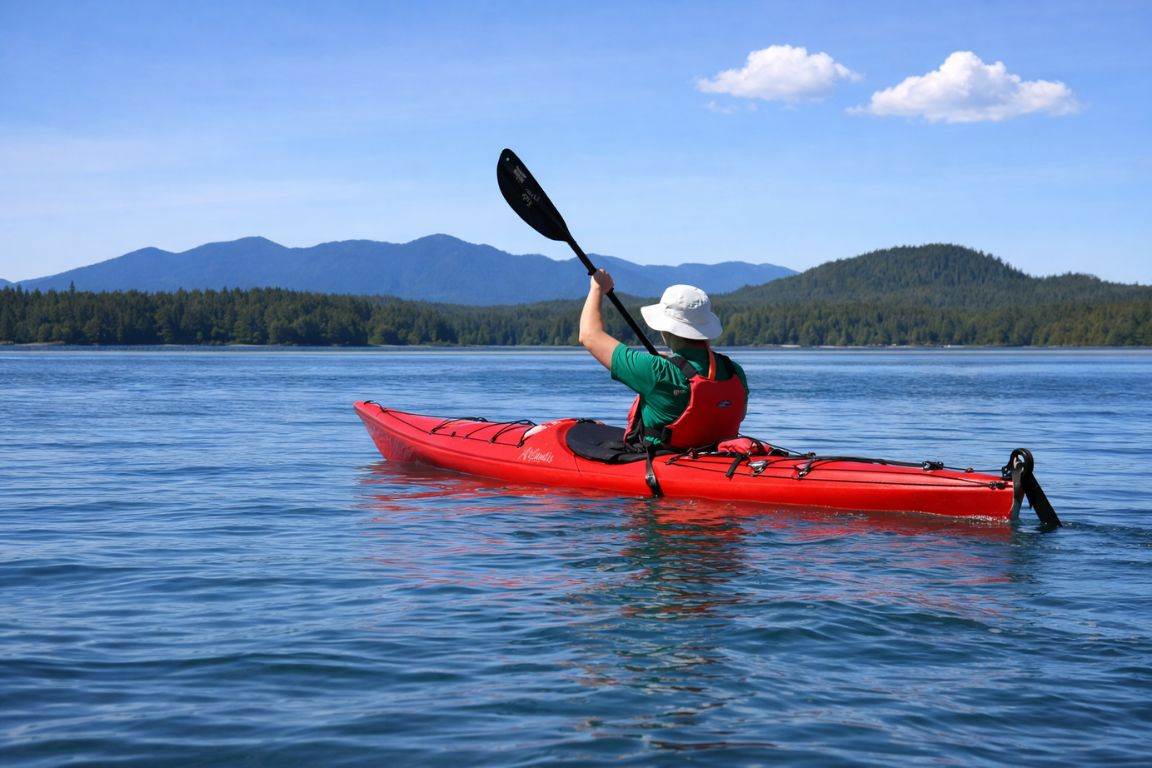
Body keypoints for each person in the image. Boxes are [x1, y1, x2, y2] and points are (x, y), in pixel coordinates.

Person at [579, 269, 749, 451]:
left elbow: (589, 335)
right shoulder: (734, 371)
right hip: (717, 461)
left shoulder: (656, 371)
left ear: (666, 329)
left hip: (662, 464)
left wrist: (597, 288)